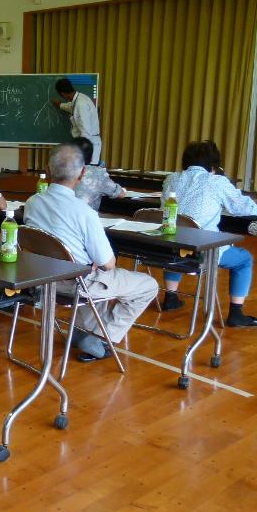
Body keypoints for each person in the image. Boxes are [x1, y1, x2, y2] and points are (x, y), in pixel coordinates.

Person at [24, 144, 158, 361]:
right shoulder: (84, 212)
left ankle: (84, 333)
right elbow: (108, 264)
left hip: (43, 279)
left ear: (47, 170)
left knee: (93, 273)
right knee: (147, 285)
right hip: (78, 284)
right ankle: (104, 338)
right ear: (83, 173)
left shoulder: (32, 203)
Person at [161, 140, 257, 327]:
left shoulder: (171, 179)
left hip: (170, 247)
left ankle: (170, 297)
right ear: (214, 166)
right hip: (202, 251)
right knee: (244, 260)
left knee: (179, 240)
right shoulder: (216, 181)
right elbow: (242, 207)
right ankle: (236, 313)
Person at [53, 78, 102, 163]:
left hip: (88, 144)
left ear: (63, 94)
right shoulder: (79, 99)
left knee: (86, 174)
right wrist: (60, 105)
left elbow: (85, 131)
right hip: (87, 143)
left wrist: (82, 151)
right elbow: (71, 107)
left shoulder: (81, 104)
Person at [72, 136, 125, 211]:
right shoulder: (97, 173)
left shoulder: (59, 169)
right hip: (85, 220)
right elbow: (121, 194)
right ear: (91, 158)